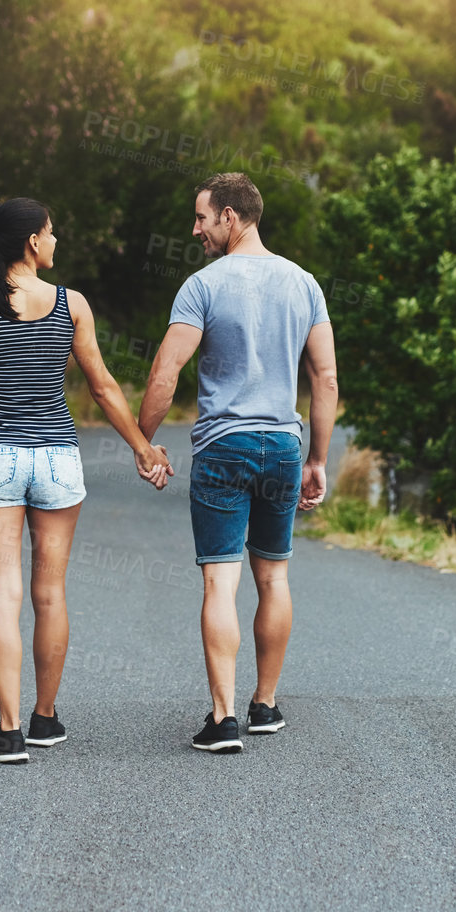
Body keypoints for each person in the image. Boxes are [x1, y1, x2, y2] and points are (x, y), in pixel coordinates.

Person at [0, 197, 171, 764]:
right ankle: (45, 717)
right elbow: (102, 386)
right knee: (50, 592)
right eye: (51, 233)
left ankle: (9, 731)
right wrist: (143, 449)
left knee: (5, 592)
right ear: (31, 243)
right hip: (57, 461)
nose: (55, 242)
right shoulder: (71, 304)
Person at [138, 173, 338, 753]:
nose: (195, 229)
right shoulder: (305, 285)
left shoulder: (202, 286)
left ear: (231, 216)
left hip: (224, 445)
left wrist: (145, 443)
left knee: (219, 581)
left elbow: (165, 373)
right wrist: (317, 459)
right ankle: (265, 705)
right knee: (272, 575)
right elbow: (324, 377)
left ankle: (224, 719)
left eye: (202, 218)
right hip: (281, 445)